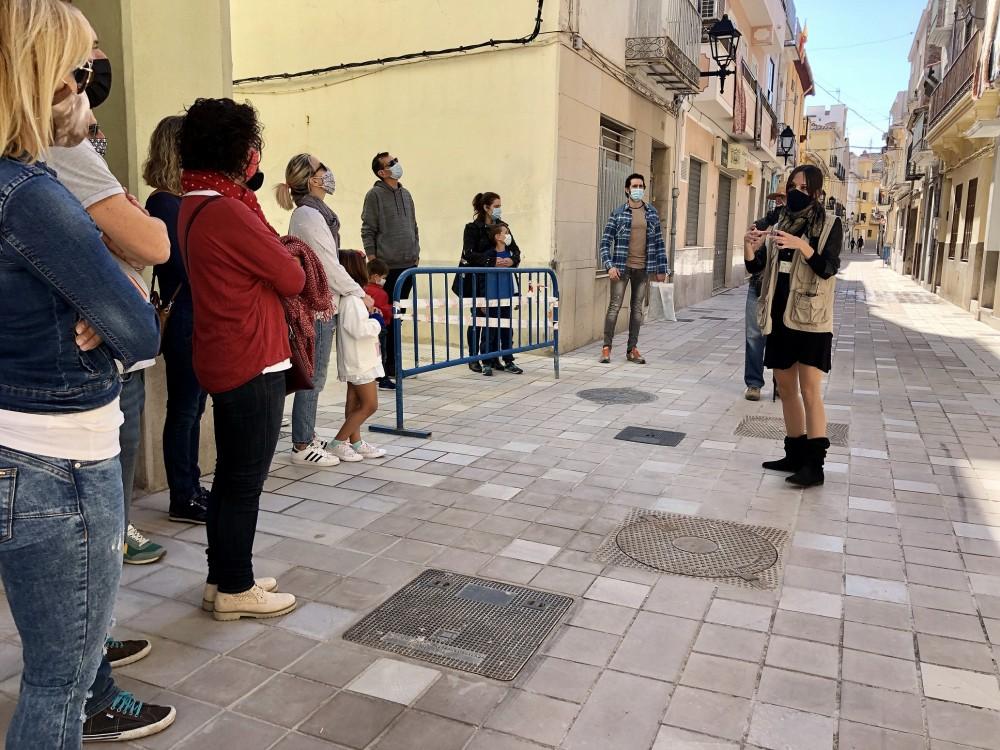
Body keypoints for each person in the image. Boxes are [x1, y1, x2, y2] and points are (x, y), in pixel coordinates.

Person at [0, 1, 167, 744]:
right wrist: (98, 303)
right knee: (58, 683)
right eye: (76, 66)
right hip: (58, 460)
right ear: (39, 72)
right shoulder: (30, 193)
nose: (84, 83)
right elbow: (139, 327)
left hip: (19, 443)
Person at [47, 44, 179, 740]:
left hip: (81, 377)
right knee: (90, 545)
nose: (92, 71)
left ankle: (91, 657)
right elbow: (151, 243)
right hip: (71, 389)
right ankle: (90, 687)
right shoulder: (43, 163)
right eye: (81, 60)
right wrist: (106, 292)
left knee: (94, 542)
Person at [178, 97, 303, 621]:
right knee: (244, 481)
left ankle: (221, 576)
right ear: (235, 149)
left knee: (230, 476)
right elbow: (292, 277)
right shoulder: (229, 210)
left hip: (222, 351)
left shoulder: (194, 200)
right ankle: (236, 586)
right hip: (251, 356)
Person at [744, 165, 843, 487]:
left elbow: (828, 268)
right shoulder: (778, 222)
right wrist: (750, 246)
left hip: (811, 319)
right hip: (780, 316)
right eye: (792, 186)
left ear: (816, 192)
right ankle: (794, 453)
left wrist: (801, 245)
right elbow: (757, 268)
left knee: (810, 391)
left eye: (803, 187)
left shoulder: (830, 224)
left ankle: (815, 466)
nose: (796, 192)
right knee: (785, 389)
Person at [277, 153, 374, 466]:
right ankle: (302, 445)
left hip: (322, 304)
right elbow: (327, 264)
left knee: (315, 374)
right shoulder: (308, 215)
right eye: (322, 168)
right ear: (312, 179)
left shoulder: (316, 213)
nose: (327, 172)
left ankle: (307, 434)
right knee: (314, 376)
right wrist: (359, 292)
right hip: (316, 306)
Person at [145, 116, 211, 524]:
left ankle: (192, 486)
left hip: (196, 314)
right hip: (184, 314)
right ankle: (182, 496)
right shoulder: (164, 203)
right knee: (184, 409)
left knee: (194, 407)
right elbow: (182, 263)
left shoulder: (182, 201)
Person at [362, 152, 419, 387]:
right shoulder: (374, 195)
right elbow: (368, 229)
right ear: (381, 172)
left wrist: (416, 253)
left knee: (398, 318)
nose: (397, 165)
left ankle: (394, 364)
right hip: (387, 268)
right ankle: (381, 367)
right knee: (383, 320)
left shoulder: (406, 194)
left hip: (408, 266)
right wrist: (374, 261)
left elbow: (414, 226)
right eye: (391, 163)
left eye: (396, 160)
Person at [599, 173, 669, 364]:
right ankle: (606, 348)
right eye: (634, 186)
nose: (638, 189)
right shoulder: (618, 213)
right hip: (621, 268)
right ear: (627, 189)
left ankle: (632, 349)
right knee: (614, 307)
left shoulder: (652, 213)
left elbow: (659, 243)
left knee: (637, 310)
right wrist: (609, 266)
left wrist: (662, 268)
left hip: (643, 268)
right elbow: (605, 243)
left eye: (641, 186)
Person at [331, 250, 389, 461]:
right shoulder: (353, 300)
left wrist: (371, 316)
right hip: (359, 361)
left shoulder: (354, 297)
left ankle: (355, 442)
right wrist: (377, 322)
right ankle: (338, 443)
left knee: (354, 402)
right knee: (370, 405)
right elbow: (357, 329)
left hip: (359, 358)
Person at [459, 192, 523, 375]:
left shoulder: (503, 228)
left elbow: (515, 251)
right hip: (478, 280)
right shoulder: (472, 228)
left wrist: (512, 261)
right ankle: (474, 358)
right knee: (479, 319)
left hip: (500, 283)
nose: (499, 209)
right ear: (486, 207)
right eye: (496, 206)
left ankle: (496, 358)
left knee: (500, 322)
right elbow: (469, 253)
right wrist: (491, 261)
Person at [745, 194, 785, 401]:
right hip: (758, 286)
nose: (779, 201)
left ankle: (781, 383)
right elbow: (752, 263)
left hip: (782, 289)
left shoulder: (796, 225)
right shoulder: (764, 223)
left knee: (779, 338)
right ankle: (754, 384)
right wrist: (751, 242)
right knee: (754, 337)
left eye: (783, 197)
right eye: (776, 198)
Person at [477, 223, 524, 376]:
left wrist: (516, 297)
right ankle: (486, 362)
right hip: (491, 299)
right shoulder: (489, 255)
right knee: (489, 332)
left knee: (507, 331)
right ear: (498, 237)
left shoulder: (511, 254)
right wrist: (482, 300)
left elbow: (514, 277)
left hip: (507, 298)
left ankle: (508, 360)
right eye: (506, 232)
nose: (508, 235)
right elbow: (482, 279)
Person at [366, 257, 393, 383]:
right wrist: (392, 309)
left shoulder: (364, 289)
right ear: (376, 277)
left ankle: (373, 376)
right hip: (380, 328)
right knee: (381, 354)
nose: (384, 280)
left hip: (368, 327)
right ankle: (383, 379)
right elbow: (383, 310)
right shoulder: (380, 293)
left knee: (372, 353)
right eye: (383, 277)